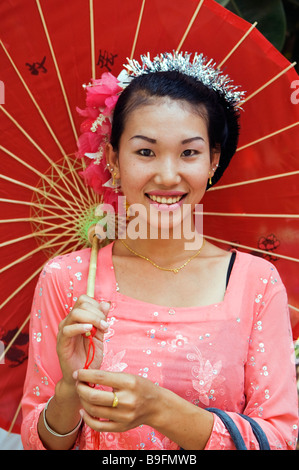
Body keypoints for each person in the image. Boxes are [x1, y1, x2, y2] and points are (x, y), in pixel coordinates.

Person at [21, 52, 298, 450]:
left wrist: (160, 410)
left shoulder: (254, 281)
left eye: (189, 153)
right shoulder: (67, 281)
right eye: (145, 152)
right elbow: (37, 442)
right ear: (114, 159)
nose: (168, 176)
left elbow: (281, 440)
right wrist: (69, 388)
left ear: (213, 161)